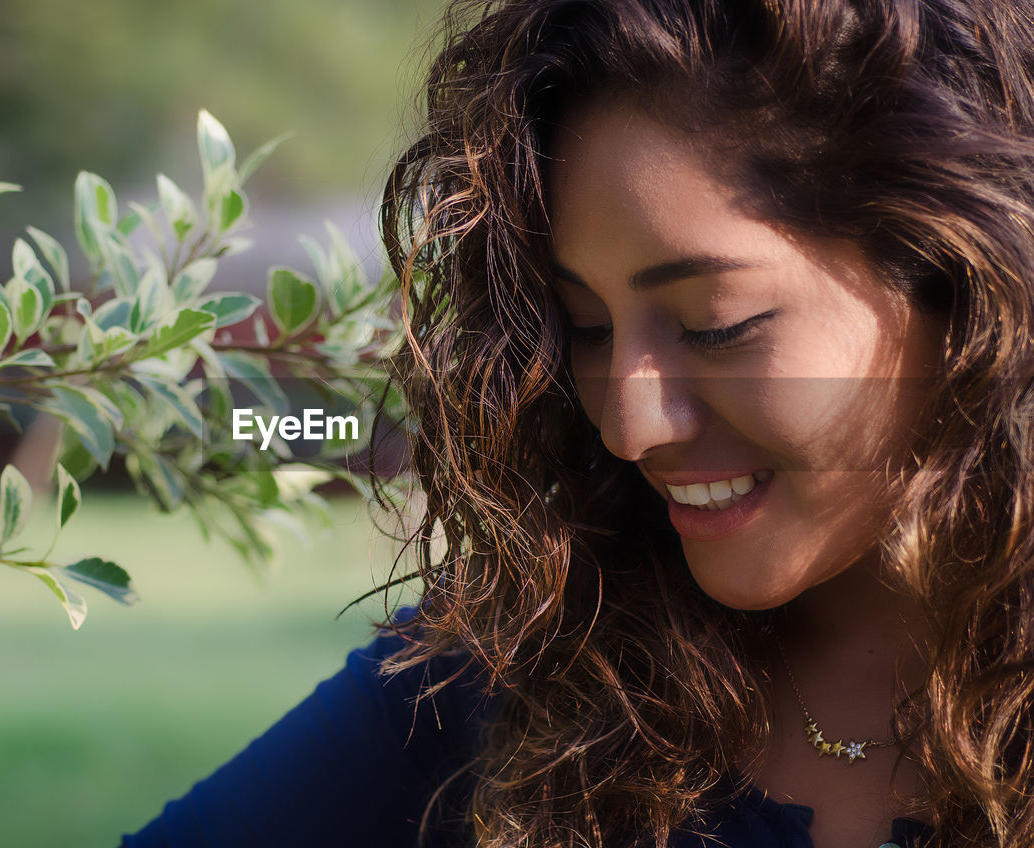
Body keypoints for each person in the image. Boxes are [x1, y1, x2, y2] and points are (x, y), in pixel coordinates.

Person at [120, 0, 1034, 845]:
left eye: (717, 324)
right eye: (588, 329)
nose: (628, 426)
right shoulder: (539, 653)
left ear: (964, 279)